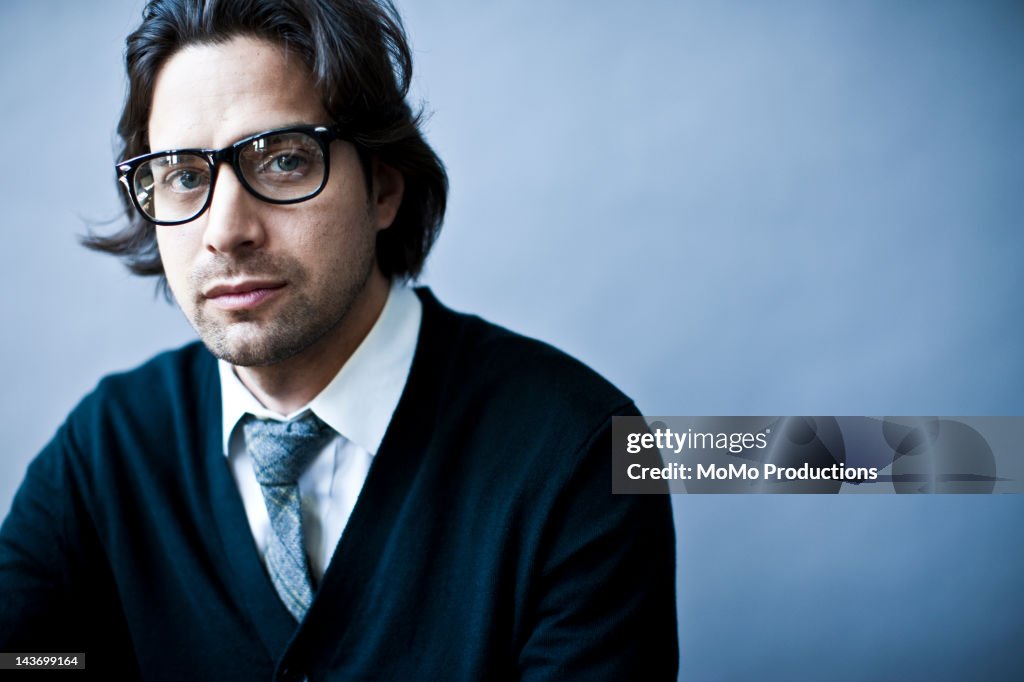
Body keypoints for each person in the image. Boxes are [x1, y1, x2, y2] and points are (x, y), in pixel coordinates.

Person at [0, 0, 677, 679]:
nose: (225, 230)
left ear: (382, 188)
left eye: (285, 161)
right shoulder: (106, 449)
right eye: (183, 176)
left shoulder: (582, 451)